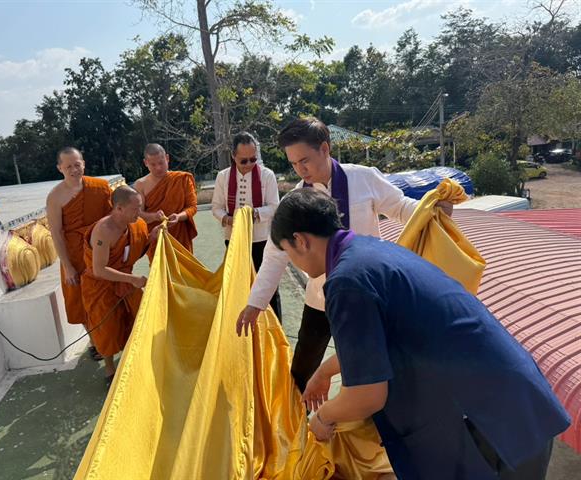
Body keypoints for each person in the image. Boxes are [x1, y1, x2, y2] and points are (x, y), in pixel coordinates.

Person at [270, 188, 570, 480]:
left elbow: (367, 395)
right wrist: (325, 371)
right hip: (512, 400)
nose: (292, 261)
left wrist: (323, 419)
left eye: (287, 252)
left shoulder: (347, 282)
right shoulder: (372, 252)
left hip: (488, 424)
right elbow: (380, 339)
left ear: (299, 240)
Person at [236, 117, 452, 392]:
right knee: (302, 367)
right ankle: (297, 423)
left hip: (367, 292)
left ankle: (360, 424)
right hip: (320, 297)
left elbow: (401, 207)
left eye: (305, 160)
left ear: (325, 149)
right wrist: (256, 302)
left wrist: (433, 209)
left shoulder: (363, 177)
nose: (300, 170)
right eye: (293, 163)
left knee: (367, 367)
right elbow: (276, 254)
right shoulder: (297, 201)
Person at [46, 147, 112, 361]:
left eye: (77, 164)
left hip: (100, 249)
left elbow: (112, 219)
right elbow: (56, 232)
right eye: (68, 167)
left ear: (83, 163)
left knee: (106, 295)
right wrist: (67, 266)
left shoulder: (100, 187)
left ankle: (112, 335)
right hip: (73, 255)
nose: (74, 170)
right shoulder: (55, 197)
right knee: (81, 301)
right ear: (60, 169)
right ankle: (95, 341)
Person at [81, 186, 150, 385]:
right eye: (135, 208)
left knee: (137, 317)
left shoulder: (135, 224)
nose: (140, 211)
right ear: (119, 208)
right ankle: (110, 370)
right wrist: (132, 280)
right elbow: (99, 270)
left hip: (125, 280)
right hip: (101, 286)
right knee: (107, 330)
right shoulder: (104, 230)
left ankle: (133, 359)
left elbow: (136, 248)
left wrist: (153, 236)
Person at [211, 132, 282, 321]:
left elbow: (275, 206)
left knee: (267, 285)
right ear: (233, 156)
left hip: (261, 240)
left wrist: (253, 215)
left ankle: (274, 329)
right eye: (244, 161)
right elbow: (216, 208)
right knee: (237, 285)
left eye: (253, 159)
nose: (250, 164)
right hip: (234, 240)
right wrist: (228, 219)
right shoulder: (223, 177)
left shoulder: (267, 175)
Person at [134, 143, 198, 261]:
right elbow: (138, 214)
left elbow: (192, 207)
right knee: (161, 275)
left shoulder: (182, 179)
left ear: (167, 158)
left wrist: (178, 216)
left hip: (180, 237)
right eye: (153, 164)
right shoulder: (140, 185)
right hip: (157, 238)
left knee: (184, 274)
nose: (158, 167)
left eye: (161, 163)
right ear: (145, 163)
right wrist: (154, 216)